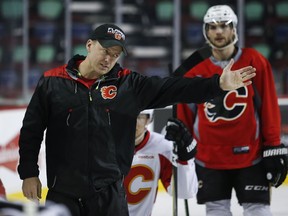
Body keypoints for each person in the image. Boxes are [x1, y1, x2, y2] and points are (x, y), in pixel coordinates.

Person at [17, 23, 256, 216]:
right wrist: (29, 173)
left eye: (115, 54)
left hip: (109, 193)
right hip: (63, 192)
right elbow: (32, 130)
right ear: (89, 45)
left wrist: (218, 84)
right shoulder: (52, 81)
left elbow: (174, 88)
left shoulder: (128, 84)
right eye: (105, 50)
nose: (109, 59)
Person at [176, 5, 288, 216]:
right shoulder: (194, 67)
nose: (218, 31)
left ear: (234, 28)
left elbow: (269, 107)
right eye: (213, 26)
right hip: (208, 157)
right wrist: (183, 144)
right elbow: (184, 113)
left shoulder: (255, 61)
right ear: (205, 31)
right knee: (216, 210)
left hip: (251, 154)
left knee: (259, 211)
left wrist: (273, 145)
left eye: (224, 26)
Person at [124, 110, 197, 215]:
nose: (133, 122)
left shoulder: (162, 147)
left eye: (139, 116)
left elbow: (184, 192)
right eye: (127, 115)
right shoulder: (103, 146)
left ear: (149, 119)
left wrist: (185, 160)